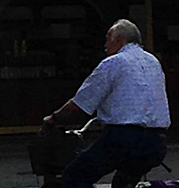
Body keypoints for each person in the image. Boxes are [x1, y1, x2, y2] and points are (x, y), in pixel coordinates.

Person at [44, 19, 170, 188]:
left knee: (74, 177)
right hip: (157, 142)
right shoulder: (153, 62)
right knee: (123, 181)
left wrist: (54, 118)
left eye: (108, 38)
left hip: (123, 138)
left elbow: (81, 104)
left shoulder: (113, 62)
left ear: (119, 40)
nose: (105, 45)